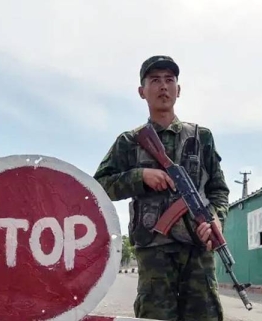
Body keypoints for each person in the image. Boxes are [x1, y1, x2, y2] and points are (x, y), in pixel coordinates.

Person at [93, 55, 230, 321]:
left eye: (170, 80)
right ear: (142, 91)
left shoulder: (202, 138)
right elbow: (99, 185)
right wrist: (139, 176)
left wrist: (216, 219)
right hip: (154, 254)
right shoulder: (130, 142)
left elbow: (218, 190)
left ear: (179, 89)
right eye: (155, 80)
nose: (163, 86)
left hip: (197, 252)